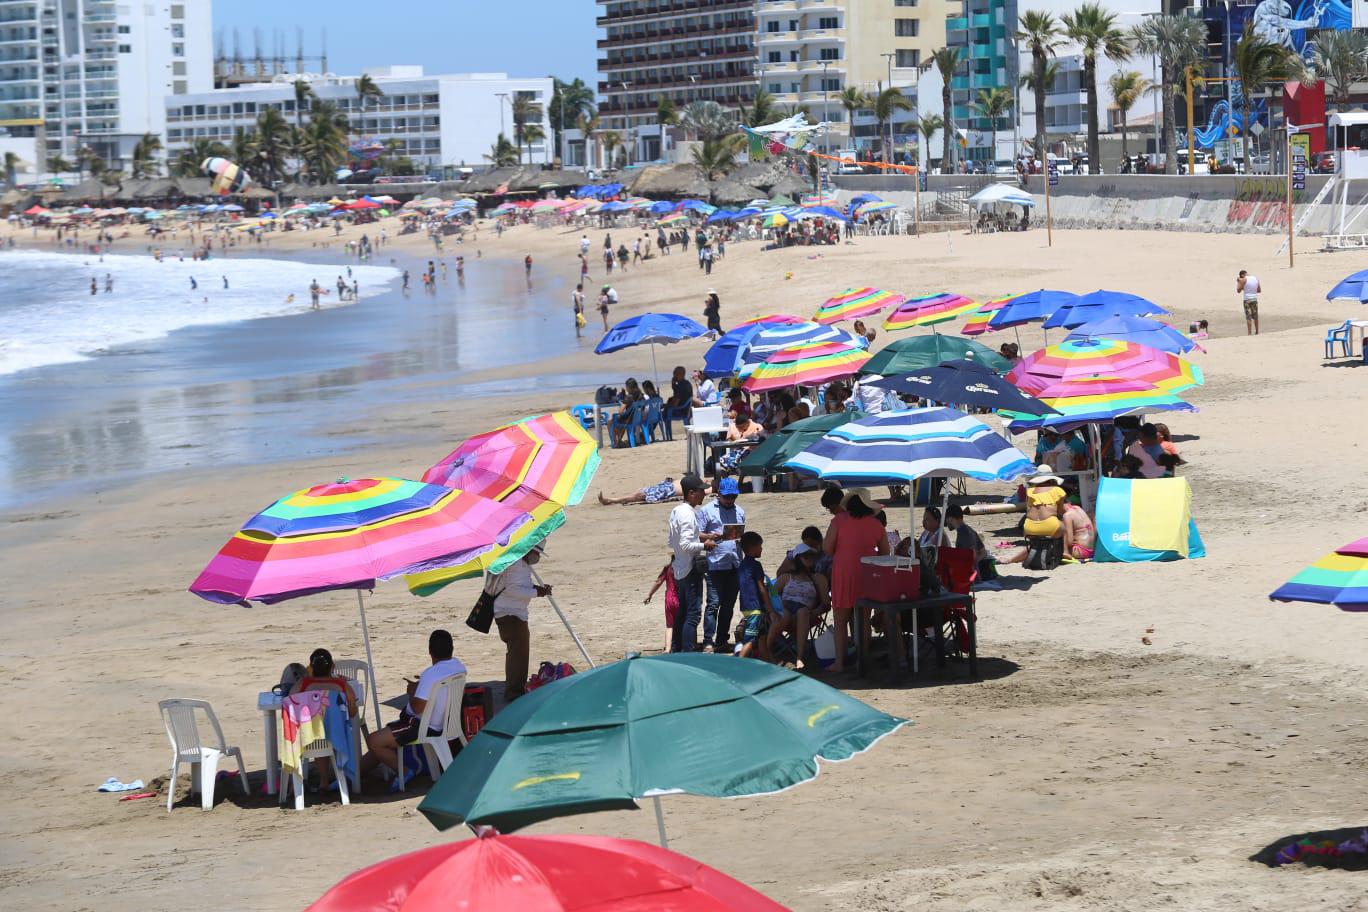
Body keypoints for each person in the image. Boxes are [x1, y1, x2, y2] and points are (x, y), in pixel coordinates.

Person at [361, 630, 466, 789]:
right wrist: (420, 687)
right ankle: (349, 776)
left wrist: (412, 692)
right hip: (445, 723)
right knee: (381, 745)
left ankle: (404, 771)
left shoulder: (430, 675)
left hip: (422, 726)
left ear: (430, 651)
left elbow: (417, 709)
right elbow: (439, 690)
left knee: (374, 741)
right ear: (452, 648)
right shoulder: (459, 667)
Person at [823, 488, 889, 673]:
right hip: (866, 573)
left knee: (840, 620)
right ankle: (863, 658)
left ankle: (839, 662)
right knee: (864, 620)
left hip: (843, 572)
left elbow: (827, 548)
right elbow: (885, 553)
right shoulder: (876, 524)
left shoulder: (838, 521)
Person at [484, 543, 552, 703]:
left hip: (515, 614)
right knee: (518, 656)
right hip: (510, 615)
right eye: (535, 554)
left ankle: (515, 688)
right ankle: (514, 693)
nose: (536, 558)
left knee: (517, 654)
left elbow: (520, 586)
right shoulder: (515, 564)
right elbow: (512, 590)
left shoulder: (520, 564)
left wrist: (537, 588)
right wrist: (537, 592)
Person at [289, 648, 358, 789]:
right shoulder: (341, 685)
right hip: (338, 735)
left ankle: (323, 782)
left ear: (311, 668)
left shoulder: (304, 684)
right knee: (331, 729)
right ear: (332, 666)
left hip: (310, 737)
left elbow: (291, 700)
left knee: (319, 731)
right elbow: (352, 712)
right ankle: (338, 779)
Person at [667, 474, 716, 652]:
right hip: (690, 567)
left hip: (679, 566)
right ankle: (687, 651)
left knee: (682, 613)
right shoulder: (688, 514)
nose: (704, 494)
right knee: (693, 614)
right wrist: (706, 545)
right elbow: (686, 544)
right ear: (691, 493)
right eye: (701, 491)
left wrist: (707, 536)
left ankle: (677, 648)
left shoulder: (677, 510)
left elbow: (674, 540)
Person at [696, 476, 745, 654]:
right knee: (713, 604)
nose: (730, 500)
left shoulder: (739, 511)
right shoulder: (706, 511)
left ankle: (722, 639)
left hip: (734, 564)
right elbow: (696, 534)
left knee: (728, 605)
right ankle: (708, 640)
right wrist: (711, 536)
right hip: (715, 565)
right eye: (727, 497)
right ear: (718, 495)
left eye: (733, 497)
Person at [770, 542, 829, 668]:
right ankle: (767, 650)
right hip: (785, 610)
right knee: (784, 614)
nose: (809, 559)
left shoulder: (818, 578)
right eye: (805, 556)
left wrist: (815, 612)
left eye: (812, 556)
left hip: (804, 613)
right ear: (798, 559)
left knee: (802, 612)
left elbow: (826, 604)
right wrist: (776, 608)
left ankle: (799, 657)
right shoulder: (786, 577)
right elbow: (772, 596)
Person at [735, 531, 768, 660]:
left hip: (746, 606)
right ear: (753, 548)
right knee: (751, 639)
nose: (761, 549)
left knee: (762, 638)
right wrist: (770, 608)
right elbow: (762, 588)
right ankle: (737, 663)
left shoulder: (742, 565)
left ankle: (769, 663)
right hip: (755, 607)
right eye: (760, 546)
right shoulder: (755, 565)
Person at [644, 557, 680, 653]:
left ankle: (668, 648)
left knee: (670, 626)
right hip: (681, 598)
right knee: (686, 622)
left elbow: (658, 582)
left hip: (669, 599)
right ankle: (687, 644)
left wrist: (649, 594)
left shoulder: (667, 568)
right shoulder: (684, 567)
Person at [1237, 269, 1261, 335]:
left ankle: (1249, 333)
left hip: (1247, 299)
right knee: (1255, 316)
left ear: (1242, 275)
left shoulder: (1244, 279)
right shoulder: (1255, 278)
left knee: (1248, 317)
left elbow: (1238, 290)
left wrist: (1239, 282)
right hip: (1254, 299)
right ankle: (1257, 331)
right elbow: (1259, 290)